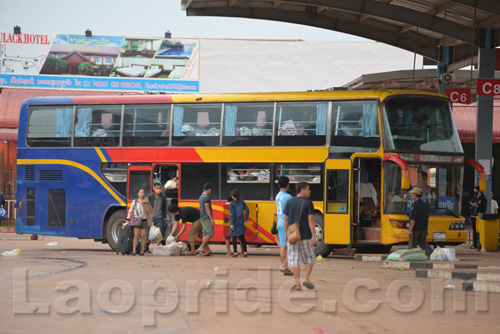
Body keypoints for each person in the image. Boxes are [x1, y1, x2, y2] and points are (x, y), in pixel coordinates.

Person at [284, 182, 316, 291]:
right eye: (308, 189)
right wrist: (313, 234)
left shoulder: (289, 202)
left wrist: (286, 234)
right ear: (302, 190)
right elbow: (310, 219)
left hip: (293, 237)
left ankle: (297, 285)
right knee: (310, 257)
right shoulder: (308, 203)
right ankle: (306, 278)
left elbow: (286, 219)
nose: (310, 191)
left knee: (294, 260)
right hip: (305, 236)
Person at [126, 187, 152, 256]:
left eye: (143, 192)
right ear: (138, 193)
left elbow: (149, 212)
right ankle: (134, 251)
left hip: (144, 220)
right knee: (136, 236)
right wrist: (128, 219)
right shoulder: (134, 202)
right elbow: (130, 211)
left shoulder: (146, 201)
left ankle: (142, 251)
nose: (142, 194)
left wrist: (150, 221)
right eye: (141, 192)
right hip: (136, 220)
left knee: (143, 236)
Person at [275, 176, 293, 276]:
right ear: (288, 184)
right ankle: (284, 266)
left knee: (283, 245)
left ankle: (284, 265)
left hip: (280, 223)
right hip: (288, 223)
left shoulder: (277, 196)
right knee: (290, 246)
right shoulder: (288, 197)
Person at [408, 187, 432, 257]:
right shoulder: (425, 205)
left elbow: (413, 218)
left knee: (412, 244)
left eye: (412, 194)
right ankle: (432, 254)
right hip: (423, 228)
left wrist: (410, 230)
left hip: (416, 229)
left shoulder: (415, 204)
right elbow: (426, 218)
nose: (412, 195)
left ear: (415, 195)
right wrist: (426, 229)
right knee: (424, 244)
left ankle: (413, 257)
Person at [147, 181, 168, 248]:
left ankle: (158, 246)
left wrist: (164, 216)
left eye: (159, 188)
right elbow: (147, 208)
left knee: (159, 234)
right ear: (154, 189)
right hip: (151, 217)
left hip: (159, 217)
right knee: (148, 234)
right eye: (157, 188)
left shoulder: (163, 196)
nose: (158, 190)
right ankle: (147, 247)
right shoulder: (150, 196)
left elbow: (164, 207)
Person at [229, 189, 249, 257]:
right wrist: (245, 220)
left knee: (234, 237)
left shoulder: (231, 204)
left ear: (233, 196)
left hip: (235, 222)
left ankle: (235, 252)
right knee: (242, 237)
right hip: (241, 222)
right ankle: (245, 252)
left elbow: (232, 215)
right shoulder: (242, 202)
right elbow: (247, 211)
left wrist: (231, 223)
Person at [198, 183, 215, 256]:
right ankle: (201, 247)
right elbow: (207, 208)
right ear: (209, 189)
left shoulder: (201, 197)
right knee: (210, 233)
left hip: (202, 217)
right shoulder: (206, 197)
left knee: (205, 234)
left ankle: (206, 250)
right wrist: (211, 218)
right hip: (206, 217)